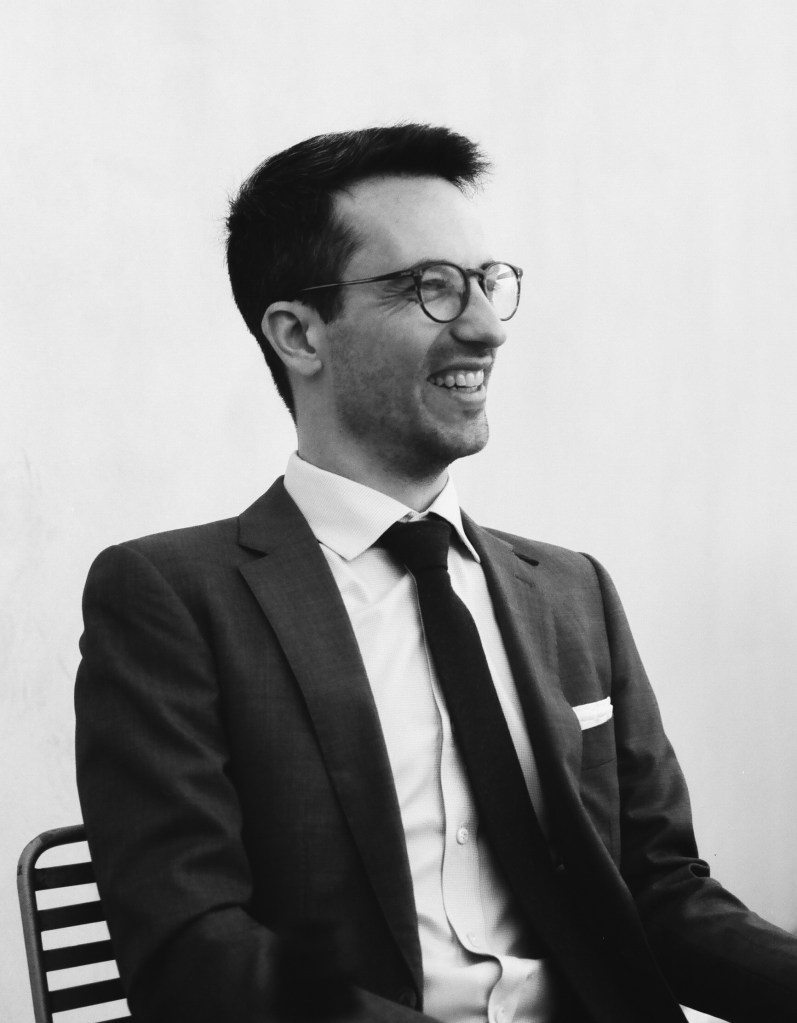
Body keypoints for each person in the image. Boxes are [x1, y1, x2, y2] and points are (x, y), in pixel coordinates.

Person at [75, 124, 797, 1023]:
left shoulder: (572, 592)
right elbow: (193, 956)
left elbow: (659, 893)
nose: (486, 326)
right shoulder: (172, 597)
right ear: (299, 333)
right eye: (430, 287)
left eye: (488, 282)